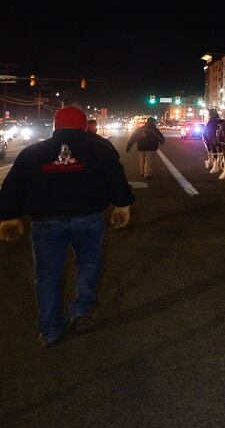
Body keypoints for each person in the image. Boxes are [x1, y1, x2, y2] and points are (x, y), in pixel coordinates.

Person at [0, 106, 134, 347]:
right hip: (89, 218)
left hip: (46, 222)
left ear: (55, 126)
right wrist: (122, 205)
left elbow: (13, 187)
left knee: (47, 275)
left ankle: (50, 328)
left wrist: (8, 216)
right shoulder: (100, 148)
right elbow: (116, 178)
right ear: (84, 126)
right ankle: (80, 312)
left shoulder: (33, 153)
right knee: (89, 264)